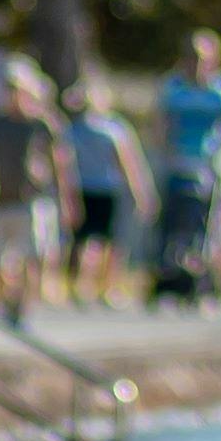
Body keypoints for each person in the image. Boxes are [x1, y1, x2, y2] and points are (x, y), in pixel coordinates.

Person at [0, 57, 65, 319]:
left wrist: (66, 197)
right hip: (0, 198)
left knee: (31, 255)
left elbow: (59, 159)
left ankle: (22, 304)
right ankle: (6, 299)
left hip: (32, 198)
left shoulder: (40, 124)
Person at [151, 32, 221, 308]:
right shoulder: (173, 88)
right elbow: (160, 123)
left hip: (210, 169)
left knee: (208, 228)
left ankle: (205, 282)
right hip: (177, 166)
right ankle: (171, 280)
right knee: (172, 227)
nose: (196, 64)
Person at [65, 85, 135, 294]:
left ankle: (82, 284)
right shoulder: (112, 130)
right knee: (108, 240)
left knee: (85, 239)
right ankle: (108, 287)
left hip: (82, 187)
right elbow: (124, 160)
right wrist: (137, 190)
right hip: (107, 187)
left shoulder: (73, 130)